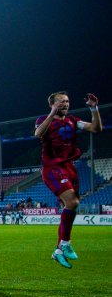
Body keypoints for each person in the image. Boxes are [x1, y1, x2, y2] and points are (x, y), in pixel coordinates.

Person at [34, 91, 102, 268]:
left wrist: (94, 108)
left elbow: (96, 128)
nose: (65, 104)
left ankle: (58, 251)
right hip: (53, 167)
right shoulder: (44, 120)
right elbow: (38, 134)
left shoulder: (73, 120)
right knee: (72, 202)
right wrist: (51, 113)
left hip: (70, 167)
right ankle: (65, 243)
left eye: (67, 101)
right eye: (60, 102)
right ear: (52, 104)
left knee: (69, 206)